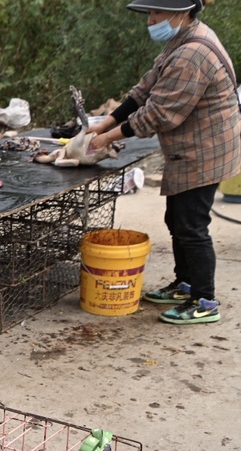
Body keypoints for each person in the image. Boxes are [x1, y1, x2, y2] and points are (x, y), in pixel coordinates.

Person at [87, 0, 241, 325]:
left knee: (191, 227)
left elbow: (159, 113)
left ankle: (205, 300)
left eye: (157, 13)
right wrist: (103, 123)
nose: (151, 20)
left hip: (205, 152)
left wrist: (107, 138)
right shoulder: (182, 39)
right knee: (177, 220)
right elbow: (145, 89)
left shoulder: (192, 54)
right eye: (150, 13)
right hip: (189, 149)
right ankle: (184, 284)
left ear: (182, 13)